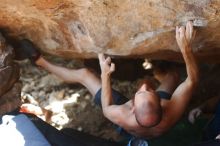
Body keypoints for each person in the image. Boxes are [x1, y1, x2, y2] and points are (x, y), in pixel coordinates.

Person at [18, 21, 199, 142]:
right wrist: (186, 49)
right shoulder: (172, 110)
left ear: (132, 106)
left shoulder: (120, 114)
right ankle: (158, 69)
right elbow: (192, 80)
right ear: (162, 101)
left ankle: (39, 61)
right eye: (148, 90)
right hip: (151, 121)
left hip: (131, 129)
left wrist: (105, 74)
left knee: (86, 74)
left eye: (142, 92)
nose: (144, 86)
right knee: (174, 77)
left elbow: (106, 107)